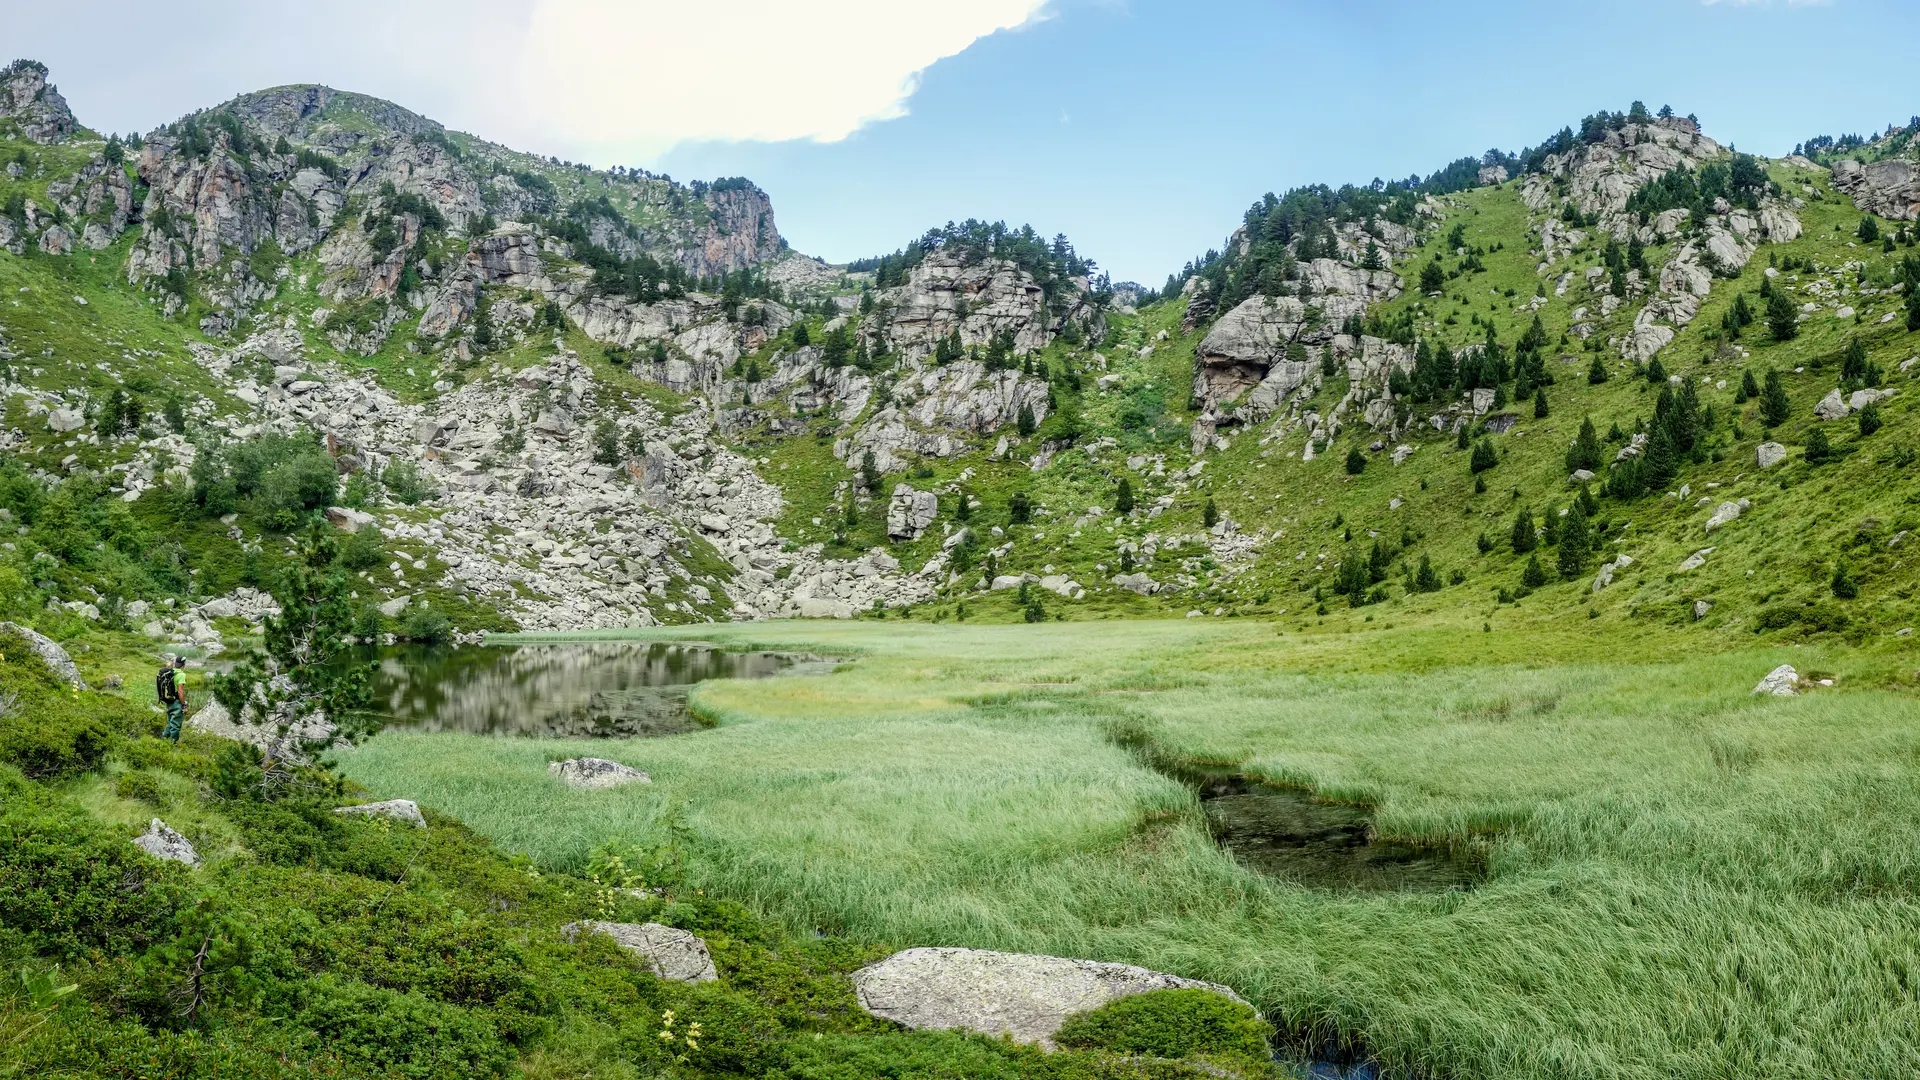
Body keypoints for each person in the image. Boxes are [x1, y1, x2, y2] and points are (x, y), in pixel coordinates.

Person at [157, 654, 188, 742]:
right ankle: (172, 743)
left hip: (169, 700)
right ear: (183, 664)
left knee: (170, 722)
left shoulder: (171, 671)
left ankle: (164, 739)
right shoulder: (181, 674)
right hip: (177, 702)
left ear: (175, 663)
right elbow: (180, 691)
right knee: (176, 724)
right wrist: (183, 705)